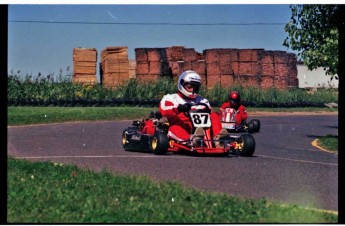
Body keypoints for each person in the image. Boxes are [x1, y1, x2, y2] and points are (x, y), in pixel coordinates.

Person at [159, 70, 227, 145]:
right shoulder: (170, 98)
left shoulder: (203, 100)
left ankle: (218, 140)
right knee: (174, 128)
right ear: (182, 84)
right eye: (190, 87)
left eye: (196, 87)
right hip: (183, 128)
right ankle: (192, 140)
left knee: (214, 115)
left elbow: (210, 112)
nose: (192, 90)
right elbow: (164, 111)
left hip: (203, 129)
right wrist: (179, 108)